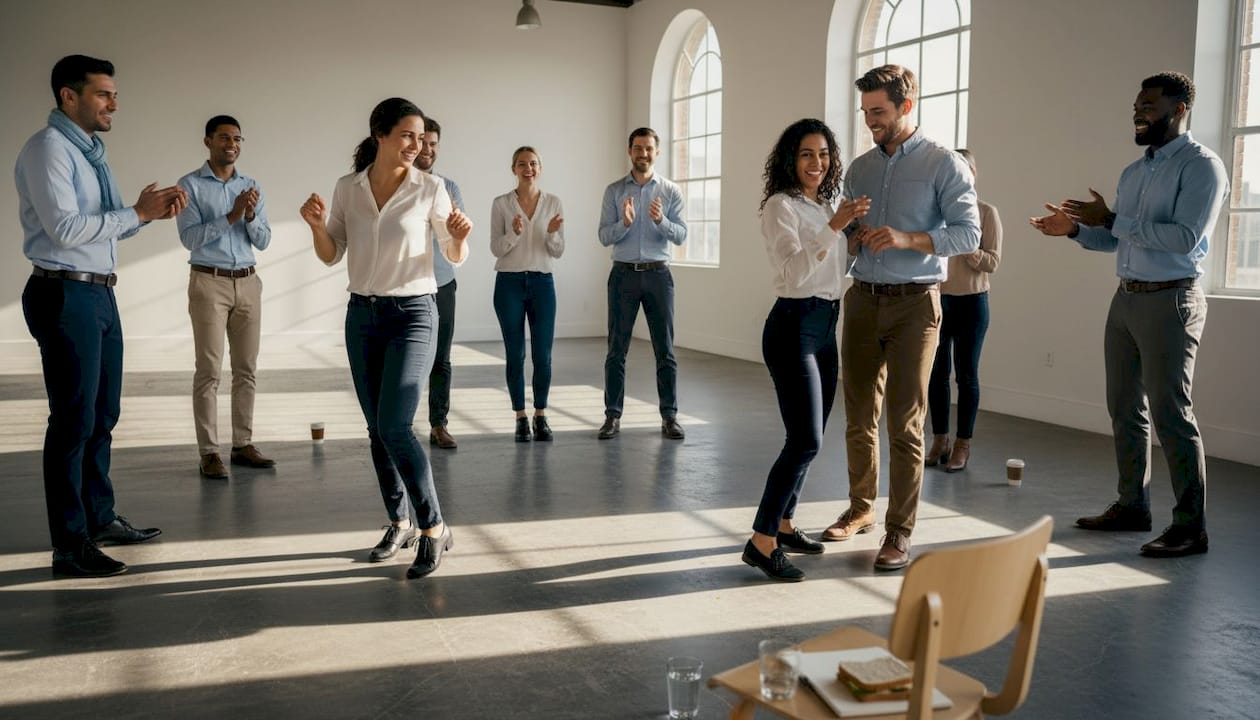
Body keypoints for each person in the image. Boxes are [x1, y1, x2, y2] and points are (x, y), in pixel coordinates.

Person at [1031, 71, 1226, 558]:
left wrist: (1114, 220)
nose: (1138, 113)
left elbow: (1185, 239)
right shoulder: (1134, 172)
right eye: (1136, 106)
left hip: (1171, 300)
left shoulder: (1203, 167)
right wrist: (1075, 231)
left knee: (1171, 413)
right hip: (1126, 299)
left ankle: (1190, 527)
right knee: (1124, 407)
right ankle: (1132, 505)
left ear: (1179, 109)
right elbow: (1116, 238)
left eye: (1149, 106)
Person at [17, 54, 183, 577]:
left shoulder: (89, 153)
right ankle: (70, 545)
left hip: (98, 293)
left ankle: (99, 517)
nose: (114, 103)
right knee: (73, 420)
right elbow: (66, 229)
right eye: (103, 94)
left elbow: (103, 224)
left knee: (103, 414)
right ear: (69, 96)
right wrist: (135, 212)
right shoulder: (48, 149)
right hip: (64, 293)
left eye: (114, 94)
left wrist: (146, 214)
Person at [299, 97, 472, 578]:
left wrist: (460, 236)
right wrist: (316, 226)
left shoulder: (431, 188)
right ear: (380, 134)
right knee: (377, 428)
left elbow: (452, 254)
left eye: (421, 137)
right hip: (362, 316)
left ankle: (433, 527)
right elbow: (331, 253)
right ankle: (399, 521)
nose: (417, 145)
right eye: (407, 136)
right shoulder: (348, 188)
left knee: (395, 424)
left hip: (414, 314)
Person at [822, 65, 980, 571]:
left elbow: (969, 234)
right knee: (857, 416)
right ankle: (861, 508)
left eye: (879, 111)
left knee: (905, 423)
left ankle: (900, 530)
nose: (870, 121)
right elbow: (846, 234)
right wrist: (850, 237)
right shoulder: (859, 169)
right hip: (862, 299)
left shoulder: (944, 164)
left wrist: (906, 238)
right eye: (865, 112)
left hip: (916, 304)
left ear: (906, 106)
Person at [743, 119, 870, 582]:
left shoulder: (824, 206)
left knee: (808, 436)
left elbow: (830, 270)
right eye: (806, 154)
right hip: (793, 327)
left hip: (825, 325)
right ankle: (761, 541)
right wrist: (835, 227)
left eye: (823, 154)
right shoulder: (780, 206)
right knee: (805, 440)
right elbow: (795, 273)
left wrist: (850, 241)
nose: (817, 163)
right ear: (790, 160)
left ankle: (784, 523)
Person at [176, 115, 275, 479]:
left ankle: (242, 445)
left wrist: (249, 216)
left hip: (248, 282)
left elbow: (264, 241)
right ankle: (209, 452)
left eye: (237, 138)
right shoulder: (189, 185)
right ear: (208, 141)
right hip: (209, 283)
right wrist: (231, 215)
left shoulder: (251, 185)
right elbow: (189, 238)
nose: (232, 144)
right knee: (209, 370)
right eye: (224, 138)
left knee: (246, 369)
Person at [596, 128, 688, 440]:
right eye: (638, 148)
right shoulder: (614, 191)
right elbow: (603, 236)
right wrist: (624, 223)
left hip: (658, 275)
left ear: (656, 152)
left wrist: (661, 220)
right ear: (629, 151)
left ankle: (669, 416)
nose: (643, 153)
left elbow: (681, 235)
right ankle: (612, 416)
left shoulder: (670, 191)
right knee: (616, 350)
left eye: (648, 148)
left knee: (665, 350)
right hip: (622, 276)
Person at [925, 148, 1003, 472]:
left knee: (967, 375)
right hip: (938, 301)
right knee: (936, 374)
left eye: (964, 170)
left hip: (972, 303)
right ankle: (940, 440)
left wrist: (968, 246)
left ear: (973, 173)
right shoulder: (937, 212)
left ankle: (962, 445)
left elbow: (993, 262)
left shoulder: (986, 213)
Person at [489, 146, 565, 442]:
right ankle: (520, 417)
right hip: (509, 284)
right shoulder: (501, 204)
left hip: (542, 283)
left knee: (543, 355)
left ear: (539, 168)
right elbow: (496, 248)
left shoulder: (553, 202)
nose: (528, 169)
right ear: (514, 169)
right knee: (515, 354)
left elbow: (557, 251)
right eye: (522, 164)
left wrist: (552, 232)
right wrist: (514, 234)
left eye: (533, 164)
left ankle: (540, 414)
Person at [414, 117, 465, 450]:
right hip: (411, 285)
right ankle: (399, 426)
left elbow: (458, 235)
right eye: (423, 143)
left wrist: (455, 224)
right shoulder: (400, 184)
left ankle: (438, 424)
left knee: (441, 358)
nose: (428, 149)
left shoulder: (449, 187)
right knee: (410, 360)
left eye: (433, 144)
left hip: (443, 282)